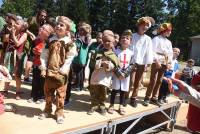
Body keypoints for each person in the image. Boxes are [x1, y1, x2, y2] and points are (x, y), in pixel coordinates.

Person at [38, 16, 77, 124]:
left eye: (62, 25)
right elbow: (44, 54)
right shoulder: (50, 40)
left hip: (61, 73)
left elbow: (70, 57)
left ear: (67, 30)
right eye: (57, 24)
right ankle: (47, 109)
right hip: (50, 71)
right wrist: (43, 66)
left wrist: (64, 69)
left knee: (60, 94)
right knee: (48, 92)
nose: (58, 26)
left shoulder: (69, 43)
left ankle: (59, 112)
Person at [87, 30, 119, 115]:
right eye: (105, 41)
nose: (107, 43)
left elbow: (115, 66)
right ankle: (94, 105)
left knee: (104, 93)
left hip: (105, 78)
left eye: (109, 41)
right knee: (94, 92)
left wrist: (109, 65)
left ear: (113, 43)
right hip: (96, 76)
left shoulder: (114, 55)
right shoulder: (97, 52)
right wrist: (101, 63)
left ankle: (102, 105)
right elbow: (92, 64)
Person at [143, 23, 173, 106]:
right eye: (169, 31)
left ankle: (154, 97)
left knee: (160, 80)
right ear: (165, 31)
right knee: (153, 80)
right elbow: (152, 50)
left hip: (164, 61)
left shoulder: (169, 42)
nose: (170, 32)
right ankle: (147, 97)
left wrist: (169, 63)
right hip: (157, 60)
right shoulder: (156, 39)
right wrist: (156, 60)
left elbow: (170, 53)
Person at [129, 16, 154, 107]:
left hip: (142, 63)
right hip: (132, 61)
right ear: (139, 25)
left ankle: (133, 98)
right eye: (143, 25)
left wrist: (148, 64)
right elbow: (129, 47)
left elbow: (149, 52)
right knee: (131, 81)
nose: (145, 27)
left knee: (138, 82)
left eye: (147, 26)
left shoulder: (148, 39)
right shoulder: (132, 36)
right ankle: (125, 96)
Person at [108, 30, 133, 115]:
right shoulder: (116, 51)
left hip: (126, 75)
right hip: (117, 74)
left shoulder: (131, 53)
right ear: (119, 40)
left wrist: (125, 74)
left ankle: (121, 106)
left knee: (123, 91)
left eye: (127, 38)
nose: (125, 39)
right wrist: (119, 73)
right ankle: (111, 105)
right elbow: (114, 63)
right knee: (115, 89)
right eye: (123, 38)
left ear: (130, 42)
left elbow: (132, 65)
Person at [27, 24, 54, 104]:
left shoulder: (50, 42)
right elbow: (32, 52)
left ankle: (41, 97)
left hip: (44, 65)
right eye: (41, 27)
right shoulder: (36, 40)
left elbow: (51, 55)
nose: (40, 28)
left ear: (48, 33)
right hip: (36, 63)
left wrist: (41, 53)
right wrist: (34, 52)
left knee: (43, 82)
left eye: (43, 28)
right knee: (35, 81)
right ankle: (33, 96)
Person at [3, 17, 28, 100]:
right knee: (7, 72)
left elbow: (17, 44)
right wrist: (7, 34)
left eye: (17, 24)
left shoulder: (24, 34)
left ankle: (17, 92)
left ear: (22, 27)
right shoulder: (11, 32)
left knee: (17, 74)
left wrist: (12, 34)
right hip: (9, 54)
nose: (14, 24)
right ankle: (5, 90)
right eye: (15, 23)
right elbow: (6, 42)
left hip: (18, 56)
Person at [24, 9, 48, 83]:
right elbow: (25, 28)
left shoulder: (42, 22)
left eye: (44, 16)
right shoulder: (32, 19)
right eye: (42, 15)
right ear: (38, 14)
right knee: (30, 58)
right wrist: (31, 34)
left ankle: (27, 77)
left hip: (37, 42)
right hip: (29, 41)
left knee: (32, 58)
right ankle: (26, 77)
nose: (43, 17)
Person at [71, 22, 92, 91]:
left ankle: (78, 86)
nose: (79, 31)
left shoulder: (85, 38)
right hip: (80, 58)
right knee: (79, 71)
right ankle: (78, 85)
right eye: (79, 30)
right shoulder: (81, 38)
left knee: (79, 72)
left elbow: (79, 45)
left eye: (81, 30)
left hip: (80, 57)